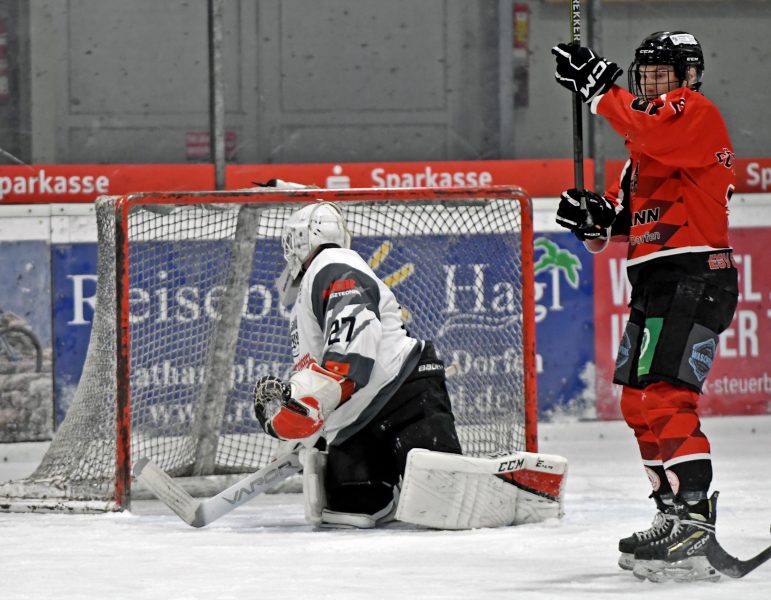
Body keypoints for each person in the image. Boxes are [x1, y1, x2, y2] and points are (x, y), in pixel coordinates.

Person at [551, 32, 738, 582]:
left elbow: (643, 123)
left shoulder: (693, 114)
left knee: (665, 397)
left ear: (689, 77)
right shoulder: (643, 152)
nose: (654, 81)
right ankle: (671, 512)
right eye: (646, 73)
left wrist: (599, 88)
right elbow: (626, 221)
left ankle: (696, 522)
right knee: (637, 403)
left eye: (664, 73)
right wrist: (596, 219)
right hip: (657, 280)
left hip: (695, 276)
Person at [253, 200, 463, 528]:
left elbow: (354, 333)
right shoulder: (317, 279)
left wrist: (322, 393)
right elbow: (317, 372)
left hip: (402, 395)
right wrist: (300, 431)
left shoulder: (333, 265)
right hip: (354, 423)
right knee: (353, 508)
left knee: (442, 499)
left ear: (299, 240)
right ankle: (385, 485)